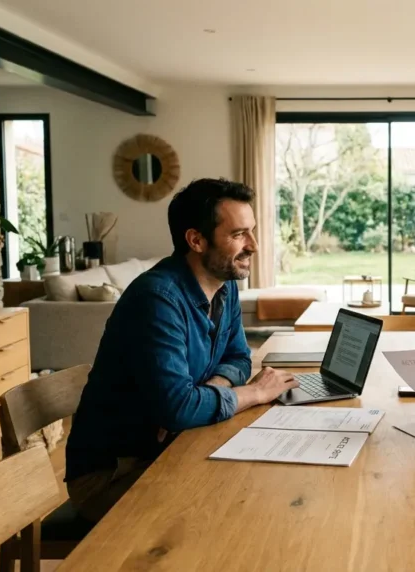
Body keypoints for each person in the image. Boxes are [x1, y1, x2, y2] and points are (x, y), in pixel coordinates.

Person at [65, 178, 299, 522]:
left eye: (251, 232)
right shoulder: (157, 299)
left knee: (261, 494)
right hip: (114, 474)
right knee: (229, 516)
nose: (253, 245)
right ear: (196, 240)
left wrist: (203, 394)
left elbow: (237, 358)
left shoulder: (224, 285)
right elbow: (177, 409)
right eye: (238, 235)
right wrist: (253, 393)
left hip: (169, 446)